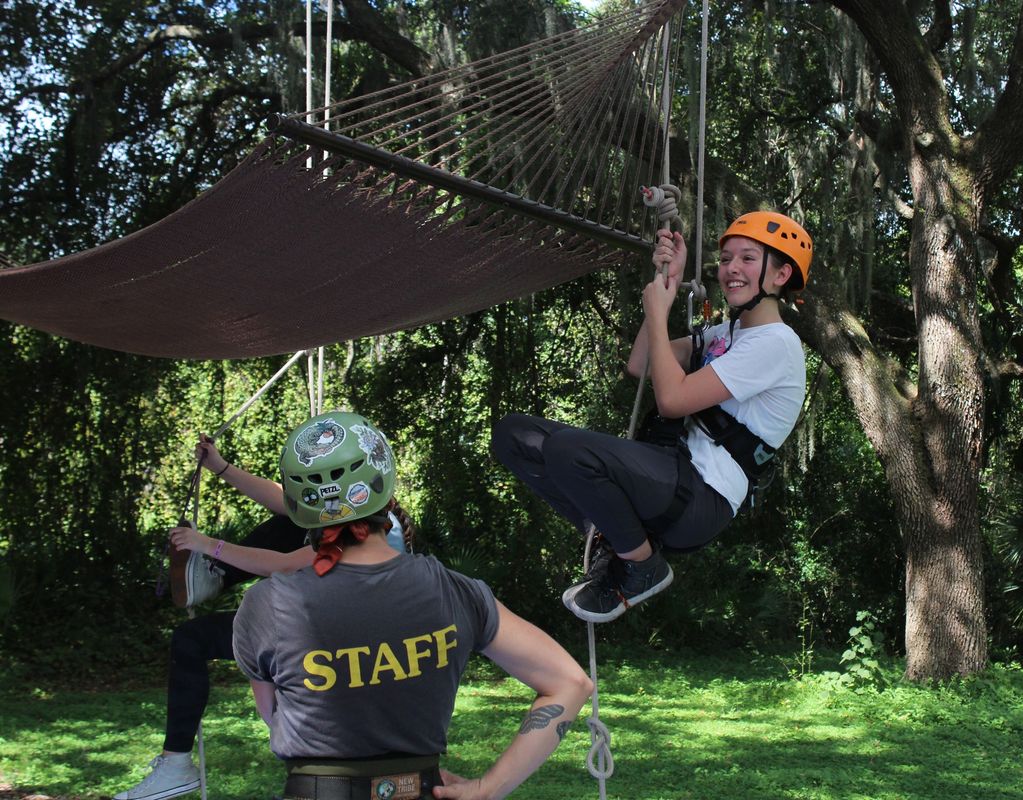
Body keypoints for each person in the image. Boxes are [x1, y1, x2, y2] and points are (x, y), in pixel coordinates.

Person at [230, 411, 593, 800]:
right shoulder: (452, 591)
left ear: (296, 502)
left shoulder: (266, 605)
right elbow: (569, 683)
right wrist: (488, 789)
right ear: (385, 485)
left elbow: (272, 715)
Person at [491, 211, 811, 623]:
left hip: (701, 494)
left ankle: (642, 567)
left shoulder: (777, 344)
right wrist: (668, 287)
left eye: (748, 259)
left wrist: (659, 314)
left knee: (570, 451)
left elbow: (673, 401)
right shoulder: (723, 335)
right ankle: (609, 533)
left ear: (781, 274)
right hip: (667, 474)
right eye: (728, 258)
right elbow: (641, 362)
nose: (731, 269)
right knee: (515, 435)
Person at [116, 435, 415, 800]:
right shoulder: (363, 514)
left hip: (333, 645)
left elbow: (285, 565)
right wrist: (220, 467)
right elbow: (281, 500)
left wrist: (207, 544)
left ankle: (217, 574)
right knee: (287, 523)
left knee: (209, 642)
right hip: (314, 629)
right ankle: (217, 578)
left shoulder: (364, 531)